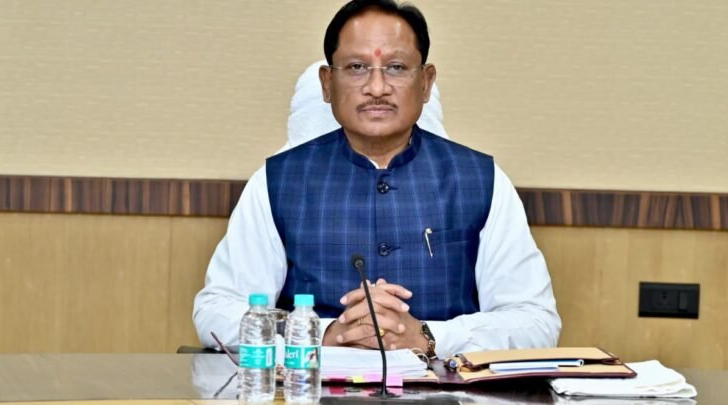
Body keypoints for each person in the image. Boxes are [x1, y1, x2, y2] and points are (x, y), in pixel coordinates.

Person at [193, 0, 561, 359]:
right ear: (327, 83)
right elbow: (217, 311)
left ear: (426, 82)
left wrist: (429, 336)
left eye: (396, 67)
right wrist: (323, 334)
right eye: (357, 67)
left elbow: (536, 321)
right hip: (312, 385)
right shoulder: (276, 182)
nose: (377, 87)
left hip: (447, 389)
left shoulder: (481, 180)